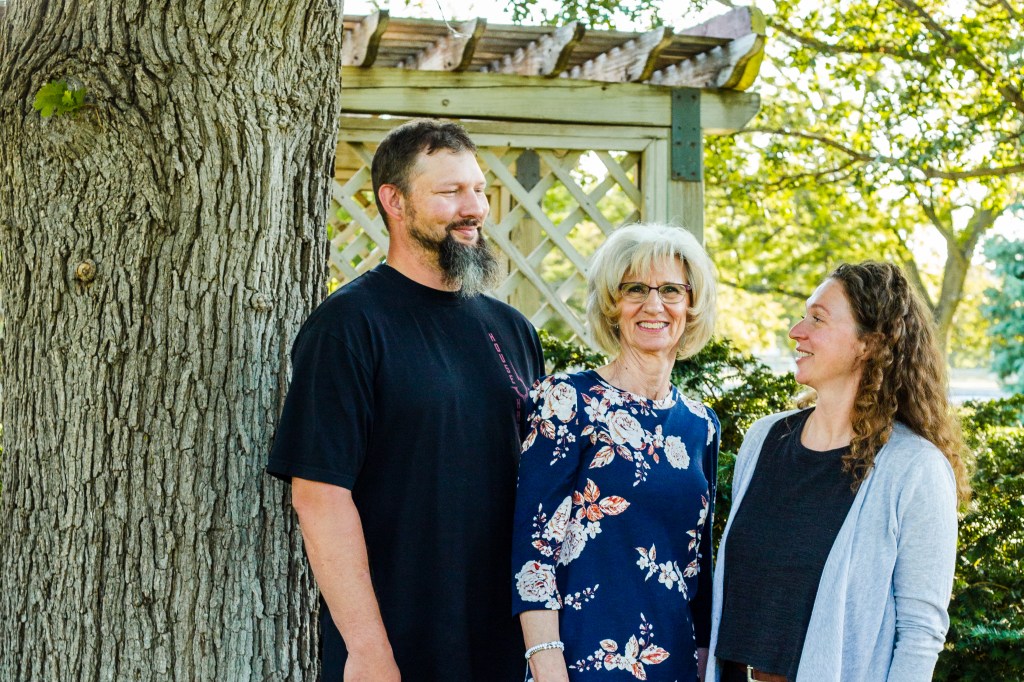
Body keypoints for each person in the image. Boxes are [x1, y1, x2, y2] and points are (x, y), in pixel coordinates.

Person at [267, 119, 545, 681]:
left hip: (501, 648)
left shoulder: (513, 330)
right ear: (393, 201)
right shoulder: (348, 326)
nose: (474, 209)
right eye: (450, 192)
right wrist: (368, 649)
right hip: (397, 649)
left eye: (479, 191)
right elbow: (320, 498)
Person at [709, 261, 971, 682]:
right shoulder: (763, 441)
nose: (797, 331)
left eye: (818, 319)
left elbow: (921, 633)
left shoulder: (914, 469)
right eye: (803, 315)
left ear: (869, 344)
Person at [511, 223, 721, 682]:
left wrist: (704, 663)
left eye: (670, 290)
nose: (653, 305)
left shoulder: (700, 425)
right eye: (635, 289)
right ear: (612, 303)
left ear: (691, 303)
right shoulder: (567, 401)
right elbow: (534, 550)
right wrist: (546, 665)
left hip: (677, 665)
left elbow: (699, 566)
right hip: (581, 662)